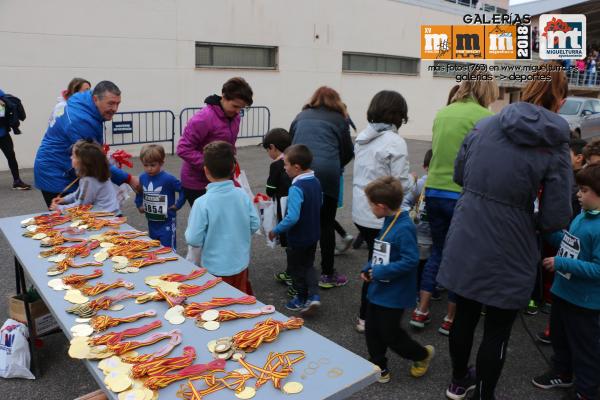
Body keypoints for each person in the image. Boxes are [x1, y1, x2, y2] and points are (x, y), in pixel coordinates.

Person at [437, 63, 572, 400]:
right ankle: (485, 393)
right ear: (561, 98)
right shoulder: (555, 144)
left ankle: (457, 381)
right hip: (513, 237)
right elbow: (556, 214)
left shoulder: (484, 124)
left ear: (527, 88)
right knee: (497, 328)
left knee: (464, 314)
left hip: (469, 226)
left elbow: (459, 174)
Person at [410, 72, 499, 336]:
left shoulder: (443, 112)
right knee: (462, 257)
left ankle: (421, 310)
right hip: (462, 193)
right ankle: (450, 318)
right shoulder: (485, 118)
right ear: (486, 90)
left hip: (434, 190)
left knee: (439, 251)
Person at [532, 164, 600, 400]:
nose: (578, 195)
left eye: (584, 190)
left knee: (585, 349)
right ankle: (562, 372)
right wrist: (550, 232)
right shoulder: (583, 216)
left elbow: (598, 269)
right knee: (560, 339)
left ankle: (586, 390)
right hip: (564, 292)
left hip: (585, 302)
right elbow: (570, 243)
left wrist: (562, 263)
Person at [360, 176, 434, 384]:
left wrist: (381, 272)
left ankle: (421, 355)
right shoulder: (389, 220)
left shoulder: (403, 228)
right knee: (372, 330)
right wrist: (368, 268)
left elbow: (411, 260)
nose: (370, 208)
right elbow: (380, 249)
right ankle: (379, 365)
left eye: (371, 205)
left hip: (394, 294)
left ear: (381, 206)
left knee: (391, 334)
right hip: (378, 289)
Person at [352, 90, 415, 333]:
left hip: (362, 209)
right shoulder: (394, 141)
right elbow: (399, 183)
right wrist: (412, 178)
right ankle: (370, 316)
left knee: (375, 259)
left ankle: (366, 315)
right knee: (380, 266)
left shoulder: (363, 137)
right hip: (382, 213)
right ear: (398, 115)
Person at [34, 81, 138, 208]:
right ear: (95, 99)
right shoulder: (80, 122)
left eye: (118, 103)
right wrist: (128, 179)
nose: (115, 109)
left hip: (65, 170)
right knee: (71, 222)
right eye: (111, 103)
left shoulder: (84, 100)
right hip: (56, 174)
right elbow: (97, 162)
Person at [290, 86, 354, 289]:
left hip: (302, 172)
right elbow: (347, 151)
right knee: (326, 223)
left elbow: (292, 144)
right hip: (328, 174)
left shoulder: (301, 116)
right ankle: (327, 274)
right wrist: (336, 165)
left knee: (300, 219)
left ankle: (296, 271)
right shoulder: (339, 119)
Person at [185, 141, 259, 295]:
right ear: (233, 168)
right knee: (240, 305)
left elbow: (193, 239)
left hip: (214, 268)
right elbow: (254, 224)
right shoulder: (242, 195)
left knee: (218, 308)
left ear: (206, 171)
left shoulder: (202, 203)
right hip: (241, 263)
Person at [177, 77, 253, 206]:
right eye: (235, 106)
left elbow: (229, 145)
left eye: (242, 108)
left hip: (221, 179)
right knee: (207, 222)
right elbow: (183, 149)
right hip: (197, 183)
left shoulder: (235, 117)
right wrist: (213, 165)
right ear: (224, 96)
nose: (238, 111)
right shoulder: (203, 118)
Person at [269, 145, 322, 316]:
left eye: (286, 165)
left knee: (298, 269)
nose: (284, 168)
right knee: (308, 265)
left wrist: (276, 230)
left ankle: (300, 298)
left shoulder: (295, 188)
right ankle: (314, 296)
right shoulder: (315, 181)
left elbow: (292, 217)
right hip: (313, 234)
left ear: (296, 167)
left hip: (298, 237)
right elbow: (319, 203)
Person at [135, 144, 185, 250]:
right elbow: (139, 192)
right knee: (154, 248)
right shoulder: (143, 177)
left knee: (167, 250)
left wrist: (178, 204)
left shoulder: (168, 179)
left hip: (167, 221)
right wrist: (139, 204)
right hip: (152, 221)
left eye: (153, 165)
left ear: (161, 163)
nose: (149, 168)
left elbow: (183, 189)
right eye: (146, 165)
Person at [262, 128, 294, 292]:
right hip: (296, 203)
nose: (268, 153)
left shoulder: (276, 165)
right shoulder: (294, 159)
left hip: (284, 206)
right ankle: (293, 271)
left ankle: (291, 273)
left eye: (268, 149)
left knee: (288, 241)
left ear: (273, 147)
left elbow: (270, 189)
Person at [50, 140, 119, 214]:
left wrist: (59, 208)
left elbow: (81, 206)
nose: (70, 157)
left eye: (73, 156)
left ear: (83, 162)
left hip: (108, 216)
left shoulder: (89, 181)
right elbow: (78, 193)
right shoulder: (93, 175)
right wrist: (64, 199)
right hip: (111, 213)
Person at [403, 149, 433, 294]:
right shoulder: (421, 184)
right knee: (420, 264)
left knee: (430, 264)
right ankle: (417, 290)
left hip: (434, 235)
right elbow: (406, 201)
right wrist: (411, 214)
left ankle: (427, 288)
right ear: (425, 168)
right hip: (419, 233)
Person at [0, 89, 30, 189]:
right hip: (3, 132)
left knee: (11, 156)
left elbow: (2, 114)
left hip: (3, 134)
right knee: (11, 156)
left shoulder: (1, 97)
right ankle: (17, 181)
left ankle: (17, 181)